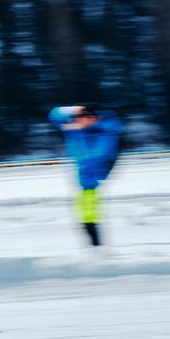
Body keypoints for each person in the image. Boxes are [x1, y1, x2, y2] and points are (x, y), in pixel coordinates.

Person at [48, 104, 124, 246]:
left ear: (93, 118)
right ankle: (93, 239)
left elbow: (105, 153)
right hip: (83, 174)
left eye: (86, 119)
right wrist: (73, 109)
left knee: (88, 210)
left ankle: (95, 244)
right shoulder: (75, 128)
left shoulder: (103, 131)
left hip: (94, 174)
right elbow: (53, 115)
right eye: (79, 119)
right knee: (84, 211)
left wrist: (105, 170)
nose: (81, 123)